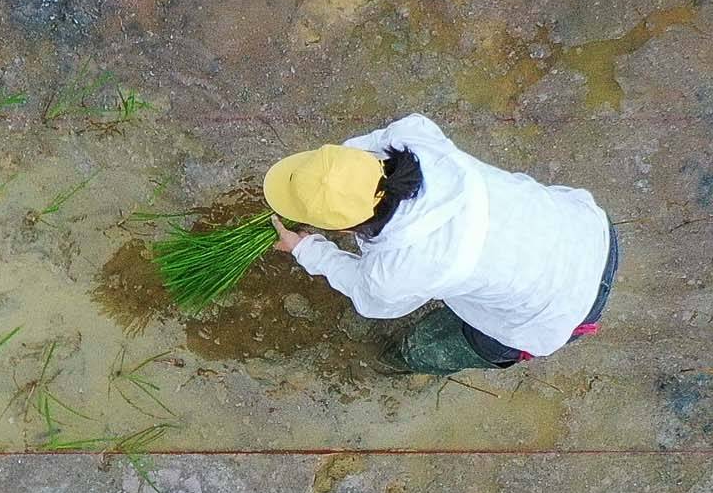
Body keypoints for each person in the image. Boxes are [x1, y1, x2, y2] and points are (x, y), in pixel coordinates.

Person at [262, 114, 616, 375]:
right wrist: (333, 182)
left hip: (560, 307)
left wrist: (307, 249)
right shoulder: (413, 137)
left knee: (427, 347)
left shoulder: (397, 270)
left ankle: (398, 362)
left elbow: (371, 297)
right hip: (586, 230)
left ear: (349, 226)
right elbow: (365, 150)